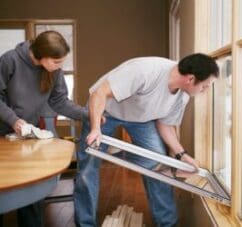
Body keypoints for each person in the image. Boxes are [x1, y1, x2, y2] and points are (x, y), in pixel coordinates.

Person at [74, 53, 219, 227]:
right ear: (191, 79)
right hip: (105, 112)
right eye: (205, 86)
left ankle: (167, 223)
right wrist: (96, 128)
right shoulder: (145, 71)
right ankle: (85, 224)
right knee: (88, 167)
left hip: (142, 119)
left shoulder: (183, 96)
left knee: (158, 163)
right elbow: (99, 93)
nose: (206, 90)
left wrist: (181, 155)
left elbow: (165, 126)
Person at [0, 31, 88, 227]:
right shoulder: (9, 61)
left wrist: (86, 114)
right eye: (56, 61)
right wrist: (13, 120)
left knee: (31, 192)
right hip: (3, 133)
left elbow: (59, 101)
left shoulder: (53, 71)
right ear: (40, 55)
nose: (60, 67)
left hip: (25, 136)